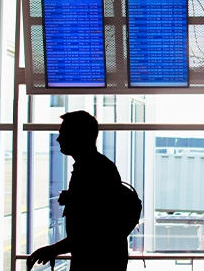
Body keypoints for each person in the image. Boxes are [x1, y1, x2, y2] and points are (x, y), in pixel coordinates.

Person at [27, 111, 128, 271]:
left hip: (96, 262)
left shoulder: (93, 171)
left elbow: (93, 232)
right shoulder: (94, 167)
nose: (58, 139)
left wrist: (54, 249)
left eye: (63, 133)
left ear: (79, 136)